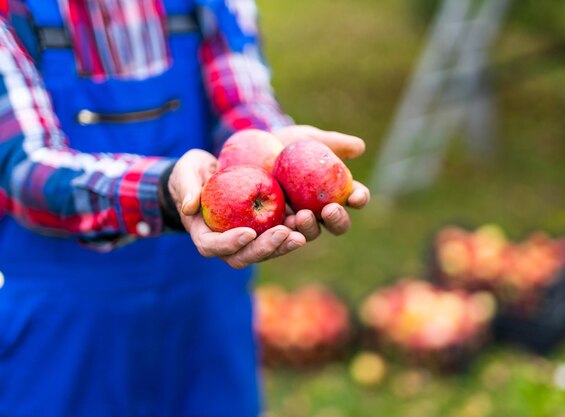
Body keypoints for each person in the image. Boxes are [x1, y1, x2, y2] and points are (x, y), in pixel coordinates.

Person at [0, 1, 369, 416]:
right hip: (65, 323)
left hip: (206, 309)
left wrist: (266, 143)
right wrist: (162, 189)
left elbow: (241, 98)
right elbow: (23, 168)